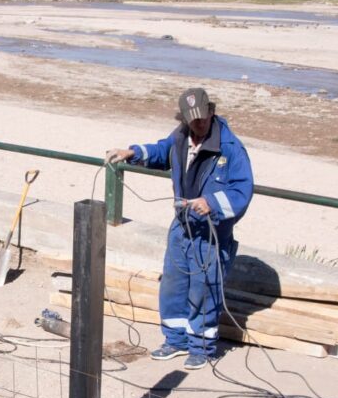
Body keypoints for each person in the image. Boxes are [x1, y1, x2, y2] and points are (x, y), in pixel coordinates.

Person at [106, 87, 253, 370]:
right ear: (184, 118)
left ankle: (201, 347)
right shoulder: (180, 138)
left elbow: (242, 191)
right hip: (182, 227)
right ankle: (175, 340)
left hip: (210, 234)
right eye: (192, 119)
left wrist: (211, 202)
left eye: (202, 117)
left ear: (211, 112)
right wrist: (132, 152)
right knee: (173, 286)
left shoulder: (231, 149)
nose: (198, 123)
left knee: (203, 290)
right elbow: (162, 152)